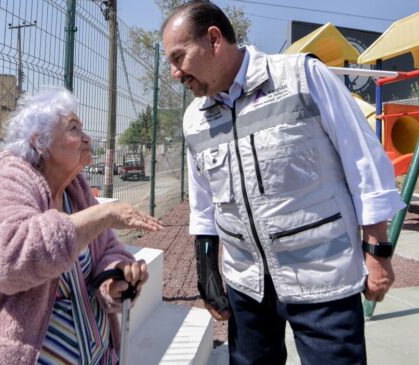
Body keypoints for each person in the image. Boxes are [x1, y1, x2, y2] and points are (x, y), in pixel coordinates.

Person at [162, 1, 405, 364]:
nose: (174, 72)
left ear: (214, 39)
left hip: (324, 282)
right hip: (248, 289)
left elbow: (364, 164)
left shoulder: (302, 77)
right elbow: (203, 204)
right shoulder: (194, 119)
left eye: (179, 57)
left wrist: (377, 253)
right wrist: (207, 271)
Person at [0, 87, 163, 365]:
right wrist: (104, 215)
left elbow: (107, 248)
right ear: (41, 141)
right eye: (74, 128)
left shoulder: (76, 190)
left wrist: (114, 278)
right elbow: (7, 259)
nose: (87, 137)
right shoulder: (7, 183)